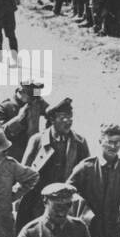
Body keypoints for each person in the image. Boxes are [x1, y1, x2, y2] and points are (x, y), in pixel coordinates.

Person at [17, 97, 90, 229]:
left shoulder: (79, 143)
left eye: (70, 117)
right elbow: (23, 172)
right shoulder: (37, 140)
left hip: (66, 202)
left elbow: (87, 175)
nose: (68, 121)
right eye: (63, 117)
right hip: (38, 202)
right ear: (52, 120)